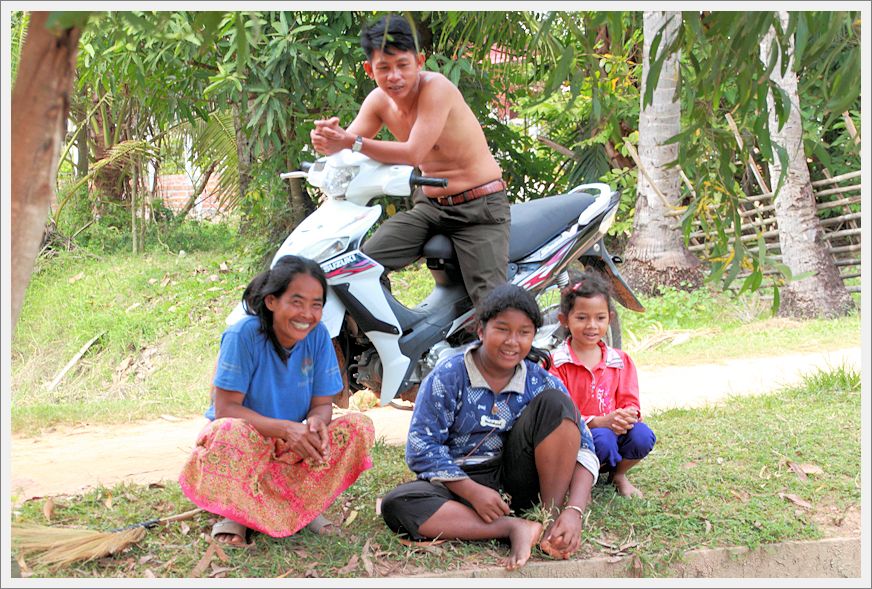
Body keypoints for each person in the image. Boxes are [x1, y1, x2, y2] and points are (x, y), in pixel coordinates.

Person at [380, 284, 600, 570]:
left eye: (524, 332)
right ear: (481, 330)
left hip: (517, 477)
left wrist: (573, 512)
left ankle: (550, 516)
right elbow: (422, 447)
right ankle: (511, 527)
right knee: (398, 503)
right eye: (502, 329)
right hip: (458, 485)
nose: (512, 341)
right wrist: (472, 492)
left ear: (534, 337)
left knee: (556, 405)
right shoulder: (449, 376)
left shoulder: (540, 380)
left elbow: (585, 447)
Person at [310, 14, 510, 309]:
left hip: (479, 210)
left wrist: (348, 141)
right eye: (384, 68)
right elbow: (346, 146)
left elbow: (412, 153)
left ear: (419, 61)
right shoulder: (378, 101)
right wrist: (327, 141)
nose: (395, 76)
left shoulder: (436, 88)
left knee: (494, 310)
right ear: (369, 69)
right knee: (358, 267)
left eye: (403, 65)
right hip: (430, 207)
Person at [178, 255, 375, 545]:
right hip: (247, 442)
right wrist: (286, 430)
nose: (306, 314)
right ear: (271, 302)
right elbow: (225, 410)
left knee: (358, 427)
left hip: (290, 445)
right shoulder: (242, 335)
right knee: (228, 431)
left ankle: (304, 507)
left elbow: (321, 404)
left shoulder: (319, 336)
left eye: (316, 304)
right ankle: (236, 514)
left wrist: (314, 426)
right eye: (296, 302)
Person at [549, 271, 656, 498]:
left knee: (643, 436)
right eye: (581, 318)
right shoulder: (557, 363)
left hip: (615, 430)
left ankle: (618, 475)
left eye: (600, 318)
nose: (591, 325)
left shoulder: (620, 360)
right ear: (564, 320)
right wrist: (598, 422)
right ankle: (579, 478)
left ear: (610, 318)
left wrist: (627, 416)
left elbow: (630, 401)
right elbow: (560, 413)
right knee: (603, 440)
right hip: (579, 438)